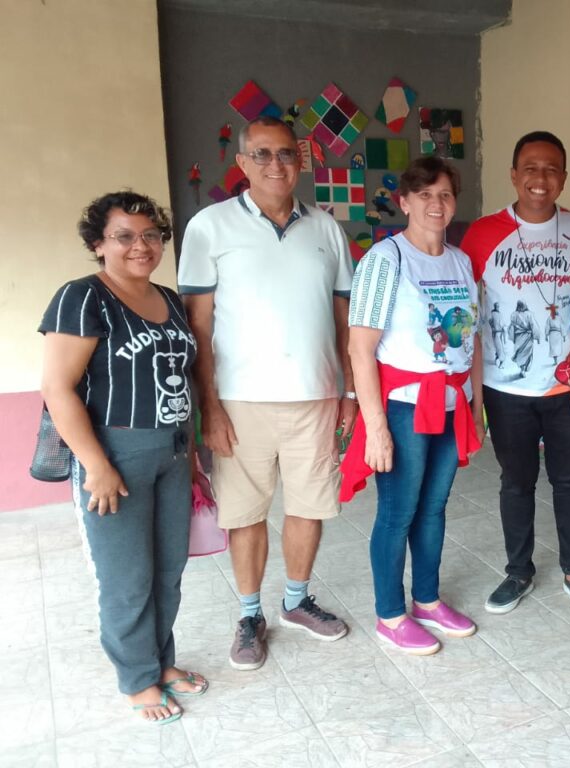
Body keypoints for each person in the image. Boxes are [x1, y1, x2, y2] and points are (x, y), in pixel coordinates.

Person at [178, 116, 356, 671]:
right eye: (262, 154)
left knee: (310, 505)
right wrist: (209, 404)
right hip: (239, 402)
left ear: (301, 159)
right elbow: (198, 325)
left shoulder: (327, 228)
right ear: (242, 162)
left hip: (317, 397)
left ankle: (297, 601)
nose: (275, 165)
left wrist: (348, 393)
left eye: (285, 154)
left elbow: (344, 318)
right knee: (245, 512)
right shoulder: (210, 226)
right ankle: (250, 614)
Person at [39, 191, 205, 724]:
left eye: (152, 234)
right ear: (98, 244)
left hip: (173, 452)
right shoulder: (82, 298)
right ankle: (137, 680)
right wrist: (97, 465)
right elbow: (58, 388)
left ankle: (161, 662)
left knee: (168, 569)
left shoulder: (170, 299)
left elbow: (187, 384)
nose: (142, 245)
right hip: (115, 453)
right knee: (127, 575)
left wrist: (194, 453)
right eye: (125, 235)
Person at [341, 157, 484, 655]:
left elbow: (472, 343)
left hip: (453, 401)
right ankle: (389, 613)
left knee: (435, 508)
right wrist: (375, 427)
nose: (435, 204)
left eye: (444, 194)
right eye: (424, 196)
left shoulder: (462, 262)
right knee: (398, 512)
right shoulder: (386, 260)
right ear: (404, 203)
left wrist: (477, 407)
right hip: (403, 406)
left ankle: (426, 598)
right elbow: (360, 349)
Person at [461, 131, 570, 617]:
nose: (540, 178)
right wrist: (473, 391)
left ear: (564, 176)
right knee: (515, 482)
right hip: (505, 387)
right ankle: (518, 571)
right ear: (513, 174)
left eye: (551, 169)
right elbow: (469, 317)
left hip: (569, 386)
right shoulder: (481, 234)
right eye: (530, 167)